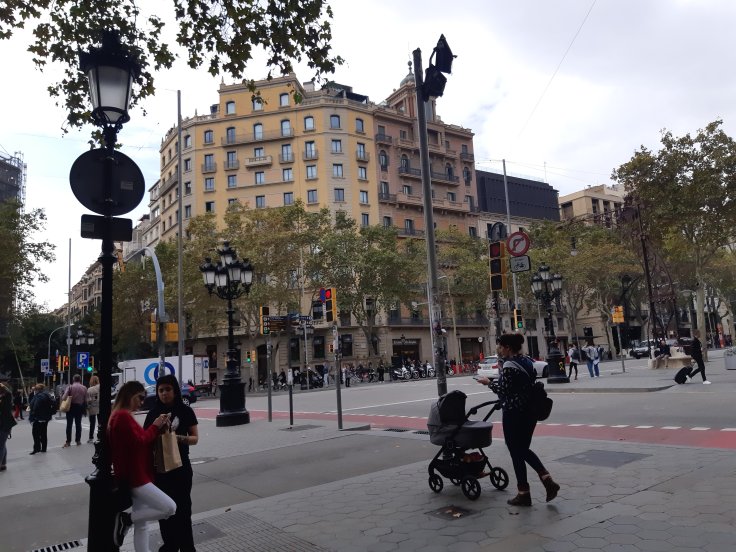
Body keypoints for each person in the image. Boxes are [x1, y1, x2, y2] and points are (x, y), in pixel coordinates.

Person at [476, 333, 559, 506]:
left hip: (514, 413)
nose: (499, 349)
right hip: (530, 412)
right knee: (522, 449)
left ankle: (526, 492)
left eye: (500, 346)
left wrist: (488, 382)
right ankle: (541, 482)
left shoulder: (508, 365)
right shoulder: (527, 361)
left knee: (516, 450)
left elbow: (504, 390)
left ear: (508, 348)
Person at [109, 381, 176, 551]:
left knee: (143, 525)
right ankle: (126, 519)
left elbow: (138, 442)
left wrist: (156, 428)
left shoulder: (119, 415)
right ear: (130, 395)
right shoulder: (122, 416)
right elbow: (140, 441)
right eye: (140, 398)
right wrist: (155, 425)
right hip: (136, 475)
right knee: (169, 507)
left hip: (134, 473)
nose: (141, 402)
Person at [144, 375, 199, 552]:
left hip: (181, 468)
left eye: (168, 389)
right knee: (165, 513)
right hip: (161, 471)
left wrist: (177, 438)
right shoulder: (153, 414)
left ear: (175, 391)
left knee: (183, 511)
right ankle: (170, 546)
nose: (164, 393)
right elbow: (145, 440)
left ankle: (187, 547)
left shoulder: (185, 411)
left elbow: (195, 438)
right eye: (161, 390)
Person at [61, 374, 87, 447]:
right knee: (78, 424)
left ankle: (68, 441)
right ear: (80, 379)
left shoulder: (70, 387)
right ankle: (78, 441)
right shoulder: (84, 388)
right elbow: (86, 399)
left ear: (73, 379)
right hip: (79, 407)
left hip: (71, 407)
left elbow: (63, 398)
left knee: (69, 425)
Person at [29, 383, 54, 454]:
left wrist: (33, 414)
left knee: (35, 433)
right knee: (43, 433)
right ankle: (44, 448)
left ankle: (37, 448)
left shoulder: (38, 396)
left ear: (37, 390)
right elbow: (53, 404)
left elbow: (35, 406)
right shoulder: (48, 395)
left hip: (38, 417)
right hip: (46, 417)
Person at [0, 383, 17, 471]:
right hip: (4, 423)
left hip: (4, 424)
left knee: (1, 444)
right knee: (2, 444)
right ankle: (3, 464)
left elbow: (6, 412)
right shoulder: (5, 396)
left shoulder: (6, 396)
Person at [86, 375, 100, 443]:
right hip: (100, 407)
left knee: (92, 423)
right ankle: (100, 437)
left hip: (92, 407)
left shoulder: (90, 389)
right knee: (100, 423)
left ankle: (91, 438)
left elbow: (88, 400)